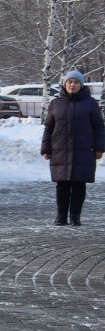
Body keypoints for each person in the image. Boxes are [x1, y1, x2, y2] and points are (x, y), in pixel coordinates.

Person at [42, 70, 105, 226]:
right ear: (65, 84)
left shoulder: (90, 102)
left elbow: (99, 126)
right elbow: (49, 127)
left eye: (76, 82)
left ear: (81, 85)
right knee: (62, 184)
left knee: (79, 184)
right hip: (60, 149)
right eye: (70, 82)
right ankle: (61, 216)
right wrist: (46, 148)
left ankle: (75, 216)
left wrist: (100, 148)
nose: (73, 85)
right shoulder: (55, 103)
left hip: (83, 150)